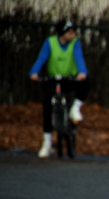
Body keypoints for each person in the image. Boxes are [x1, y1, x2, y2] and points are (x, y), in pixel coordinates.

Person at [29, 20, 91, 158]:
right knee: (47, 108)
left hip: (70, 79)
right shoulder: (50, 42)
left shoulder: (75, 43)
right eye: (70, 33)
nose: (73, 35)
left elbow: (79, 58)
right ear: (62, 34)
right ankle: (47, 143)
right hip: (54, 79)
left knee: (86, 83)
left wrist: (82, 72)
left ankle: (75, 108)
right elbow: (42, 58)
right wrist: (34, 72)